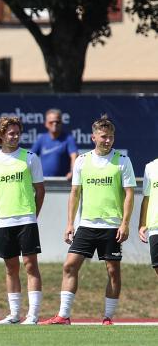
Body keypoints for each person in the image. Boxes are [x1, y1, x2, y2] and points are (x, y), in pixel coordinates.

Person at [43, 115, 135, 325]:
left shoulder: (122, 161)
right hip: (86, 225)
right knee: (69, 266)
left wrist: (125, 223)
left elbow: (129, 194)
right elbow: (75, 193)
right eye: (103, 136)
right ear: (93, 137)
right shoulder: (82, 161)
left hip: (112, 226)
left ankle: (108, 317)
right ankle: (63, 315)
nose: (108, 140)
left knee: (113, 270)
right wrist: (69, 223)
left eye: (111, 137)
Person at [0, 116, 45, 325]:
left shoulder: (30, 158)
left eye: (17, 132)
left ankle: (33, 315)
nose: (15, 136)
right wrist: (5, 210)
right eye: (11, 133)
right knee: (10, 267)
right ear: (0, 134)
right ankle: (14, 314)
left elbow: (40, 190)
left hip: (27, 218)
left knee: (30, 265)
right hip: (4, 221)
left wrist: (32, 215)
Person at [30, 108, 78, 179]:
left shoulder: (68, 139)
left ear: (61, 123)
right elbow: (30, 157)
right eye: (51, 122)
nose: (54, 124)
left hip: (63, 183)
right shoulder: (41, 139)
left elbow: (74, 156)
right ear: (46, 124)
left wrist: (72, 172)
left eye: (57, 122)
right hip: (44, 182)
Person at [139, 156, 158, 278]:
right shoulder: (150, 167)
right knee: (156, 266)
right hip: (155, 227)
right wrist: (142, 223)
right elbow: (146, 198)